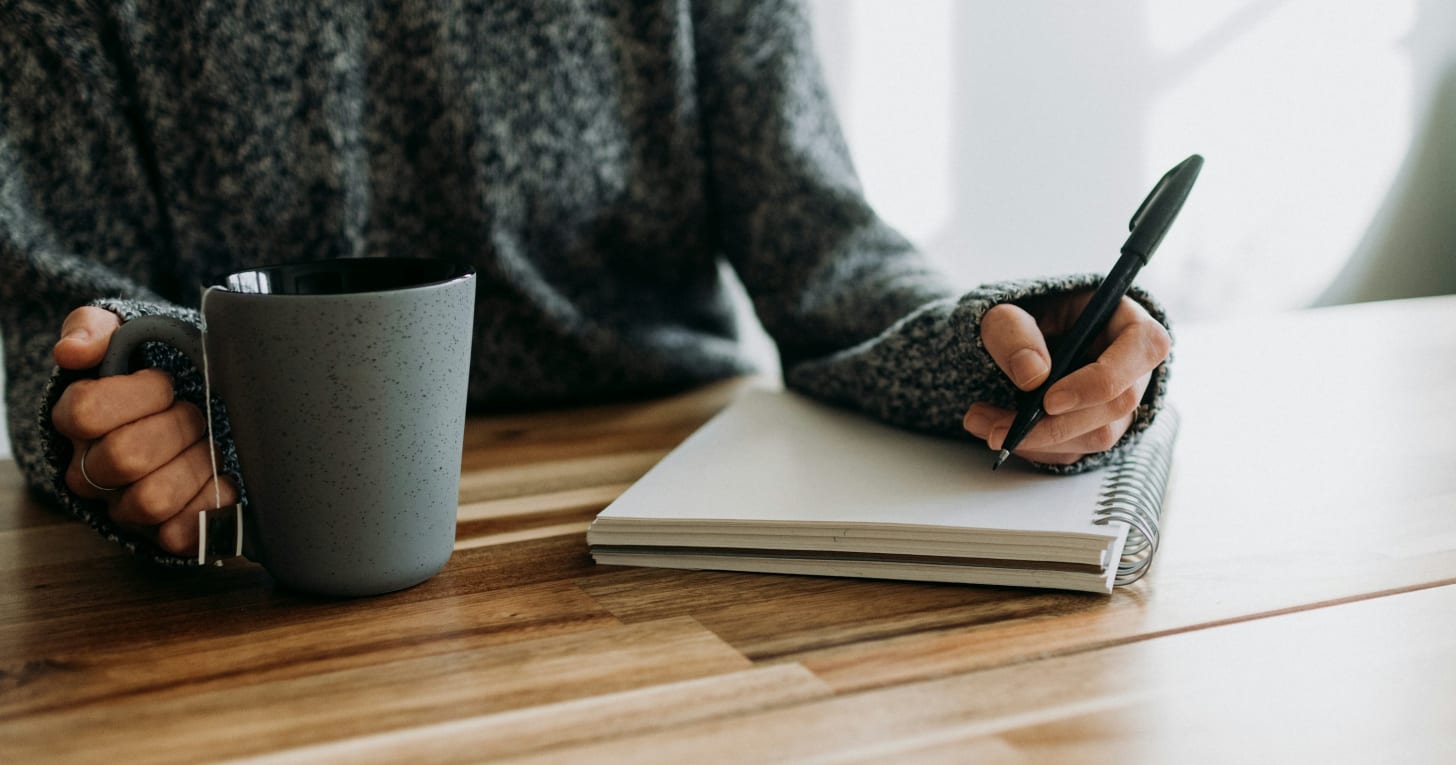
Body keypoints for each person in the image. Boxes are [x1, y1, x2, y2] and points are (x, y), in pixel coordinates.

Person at [0, 0, 1171, 564]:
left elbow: (829, 260)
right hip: (255, 549)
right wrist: (106, 431)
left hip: (676, 516)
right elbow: (52, 302)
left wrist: (1008, 342)